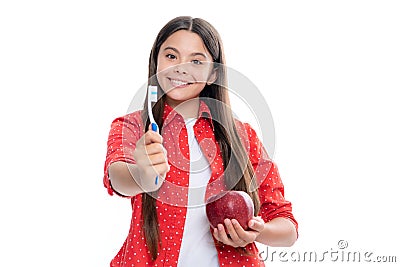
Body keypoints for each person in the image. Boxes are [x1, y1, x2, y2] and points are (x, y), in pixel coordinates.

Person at [103, 16, 298, 267]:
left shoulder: (243, 136)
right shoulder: (131, 126)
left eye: (196, 61)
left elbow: (287, 227)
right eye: (171, 56)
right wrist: (142, 174)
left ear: (213, 74)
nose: (180, 68)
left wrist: (256, 232)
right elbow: (118, 178)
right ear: (156, 63)